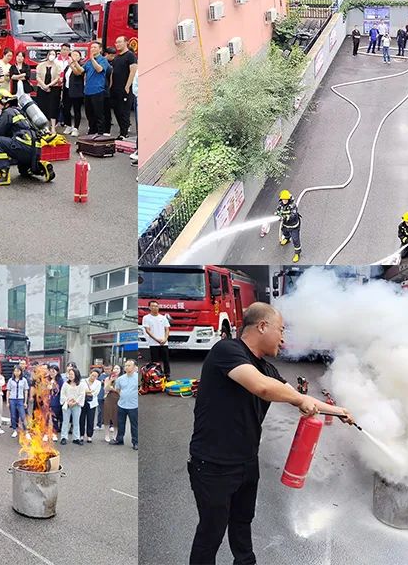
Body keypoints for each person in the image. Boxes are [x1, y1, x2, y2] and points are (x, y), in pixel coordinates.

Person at [188, 305, 354, 564]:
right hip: (213, 464)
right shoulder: (227, 351)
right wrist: (300, 401)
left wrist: (337, 410)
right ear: (262, 326)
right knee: (211, 533)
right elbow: (262, 388)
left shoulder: (266, 368)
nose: (284, 338)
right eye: (281, 330)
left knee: (242, 522)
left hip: (246, 462)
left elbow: (298, 397)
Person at [0, 89, 54, 186]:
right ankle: (41, 166)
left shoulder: (7, 113)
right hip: (35, 148)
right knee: (23, 172)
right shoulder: (20, 112)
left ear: (4, 102)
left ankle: (3, 176)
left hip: (23, 147)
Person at [72, 41, 110, 135]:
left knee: (99, 113)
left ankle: (100, 132)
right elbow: (81, 71)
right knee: (89, 113)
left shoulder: (103, 60)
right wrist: (75, 62)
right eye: (91, 47)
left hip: (98, 90)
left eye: (95, 47)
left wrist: (93, 59)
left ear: (100, 49)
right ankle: (92, 131)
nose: (92, 49)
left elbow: (99, 69)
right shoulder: (88, 61)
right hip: (87, 91)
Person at [110, 36, 137, 140]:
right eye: (116, 42)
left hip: (125, 89)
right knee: (116, 110)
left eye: (120, 42)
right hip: (115, 89)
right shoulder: (116, 57)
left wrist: (127, 85)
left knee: (124, 111)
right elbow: (113, 72)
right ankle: (122, 130)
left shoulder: (130, 56)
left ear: (126, 43)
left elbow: (133, 70)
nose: (117, 44)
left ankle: (124, 133)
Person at [110, 359, 138, 450]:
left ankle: (135, 442)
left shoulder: (138, 377)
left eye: (129, 365)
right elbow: (118, 390)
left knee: (134, 425)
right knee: (120, 423)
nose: (126, 367)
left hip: (134, 406)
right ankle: (119, 439)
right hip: (121, 404)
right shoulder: (120, 379)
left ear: (134, 367)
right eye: (125, 365)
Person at [35, 50, 62, 135]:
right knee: (42, 107)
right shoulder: (40, 65)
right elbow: (38, 77)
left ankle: (53, 127)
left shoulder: (58, 66)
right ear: (47, 55)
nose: (51, 56)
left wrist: (49, 86)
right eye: (50, 54)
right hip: (41, 89)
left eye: (53, 54)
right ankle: (44, 127)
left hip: (53, 89)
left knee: (53, 108)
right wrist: (44, 86)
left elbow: (57, 78)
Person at [143, 300, 171, 378]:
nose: (155, 307)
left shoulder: (163, 317)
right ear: (149, 307)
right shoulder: (146, 318)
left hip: (164, 342)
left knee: (166, 360)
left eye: (156, 306)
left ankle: (167, 375)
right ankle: (157, 376)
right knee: (155, 361)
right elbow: (147, 330)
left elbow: (167, 329)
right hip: (153, 343)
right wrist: (157, 339)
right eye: (153, 306)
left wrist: (165, 339)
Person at [61, 49, 85, 137]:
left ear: (80, 57)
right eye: (72, 55)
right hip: (67, 89)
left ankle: (76, 128)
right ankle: (68, 125)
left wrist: (72, 64)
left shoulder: (81, 66)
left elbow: (78, 73)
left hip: (77, 91)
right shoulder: (67, 67)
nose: (74, 57)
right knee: (66, 109)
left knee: (76, 110)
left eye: (76, 55)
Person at [60, 365, 85, 445]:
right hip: (67, 404)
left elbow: (82, 394)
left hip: (76, 405)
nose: (70, 376)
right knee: (65, 421)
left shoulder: (80, 384)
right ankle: (64, 437)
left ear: (76, 375)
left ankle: (76, 438)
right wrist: (68, 402)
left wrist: (75, 402)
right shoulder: (65, 384)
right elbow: (62, 394)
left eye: (72, 374)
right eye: (69, 374)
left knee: (76, 421)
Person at [276, 189, 302, 263]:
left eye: (285, 199)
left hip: (294, 226)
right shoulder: (281, 204)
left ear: (288, 199)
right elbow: (278, 210)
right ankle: (287, 239)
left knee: (295, 239)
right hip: (285, 225)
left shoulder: (292, 205)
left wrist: (285, 217)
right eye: (283, 199)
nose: (284, 201)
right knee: (284, 232)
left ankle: (297, 254)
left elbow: (293, 215)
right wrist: (278, 214)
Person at [6, 364, 29, 437]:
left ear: (21, 372)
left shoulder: (24, 380)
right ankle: (14, 430)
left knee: (23, 416)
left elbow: (26, 391)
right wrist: (7, 402)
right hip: (12, 399)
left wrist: (25, 402)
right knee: (13, 415)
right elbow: (8, 391)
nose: (16, 372)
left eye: (18, 371)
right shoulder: (10, 380)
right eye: (15, 371)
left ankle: (26, 431)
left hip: (20, 400)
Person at [81, 368, 102, 443]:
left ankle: (89, 436)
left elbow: (95, 393)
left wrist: (87, 392)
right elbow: (81, 391)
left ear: (97, 377)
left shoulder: (98, 383)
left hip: (92, 403)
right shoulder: (83, 381)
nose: (93, 377)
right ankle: (81, 435)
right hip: (82, 402)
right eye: (92, 375)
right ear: (90, 374)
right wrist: (87, 392)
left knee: (91, 419)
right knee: (82, 419)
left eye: (95, 376)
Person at [102, 364, 121, 443]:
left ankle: (115, 436)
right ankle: (106, 435)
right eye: (114, 368)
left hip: (118, 399)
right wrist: (110, 381)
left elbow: (120, 391)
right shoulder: (108, 378)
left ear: (120, 370)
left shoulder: (121, 379)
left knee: (116, 417)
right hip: (109, 398)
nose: (116, 370)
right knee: (107, 416)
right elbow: (106, 389)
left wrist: (112, 389)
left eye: (117, 368)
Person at [101, 46, 117, 135]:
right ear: (107, 54)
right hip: (102, 89)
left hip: (105, 90)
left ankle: (106, 129)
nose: (113, 58)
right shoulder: (105, 64)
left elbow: (110, 79)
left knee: (106, 111)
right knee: (102, 111)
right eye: (112, 55)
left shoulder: (110, 64)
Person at [48, 364, 64, 441]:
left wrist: (54, 387)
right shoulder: (47, 380)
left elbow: (62, 391)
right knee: (47, 418)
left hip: (56, 402)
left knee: (55, 418)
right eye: (50, 371)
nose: (51, 373)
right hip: (47, 402)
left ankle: (54, 434)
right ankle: (47, 433)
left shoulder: (60, 380)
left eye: (53, 371)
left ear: (57, 372)